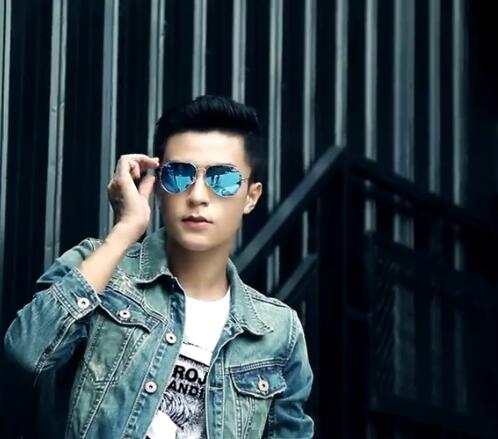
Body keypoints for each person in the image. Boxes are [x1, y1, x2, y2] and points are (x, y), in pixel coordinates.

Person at [4, 95, 314, 438]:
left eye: (223, 179)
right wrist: (125, 231)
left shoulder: (277, 330)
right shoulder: (99, 268)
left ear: (251, 197)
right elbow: (26, 352)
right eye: (179, 175)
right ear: (158, 187)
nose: (198, 195)